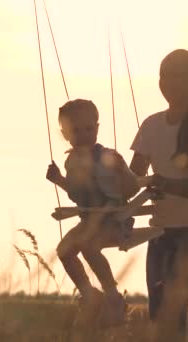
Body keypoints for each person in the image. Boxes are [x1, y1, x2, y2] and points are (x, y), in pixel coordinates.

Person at [128, 49, 188, 341]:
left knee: (173, 302)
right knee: (159, 307)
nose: (169, 82)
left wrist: (159, 182)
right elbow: (132, 180)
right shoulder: (150, 124)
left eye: (178, 75)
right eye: (164, 75)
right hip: (162, 229)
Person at [45, 98, 139, 329]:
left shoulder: (109, 157)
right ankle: (89, 293)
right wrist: (59, 180)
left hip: (116, 220)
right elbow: (79, 196)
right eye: (76, 130)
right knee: (64, 251)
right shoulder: (71, 161)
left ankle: (113, 296)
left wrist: (122, 176)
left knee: (87, 245)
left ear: (97, 128)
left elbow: (132, 187)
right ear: (65, 134)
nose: (84, 134)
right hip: (90, 220)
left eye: (88, 128)